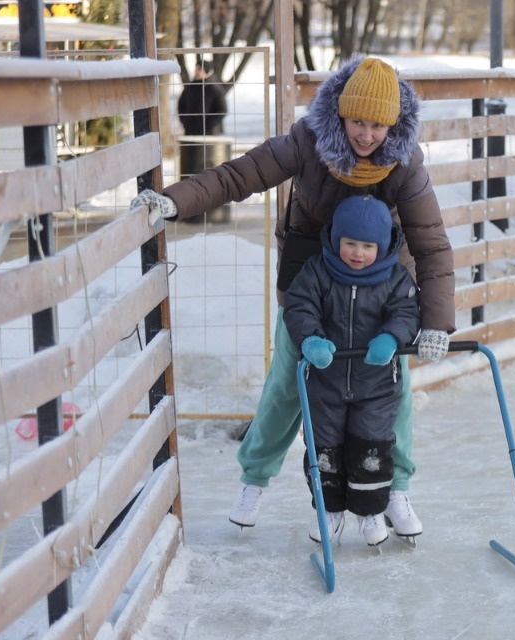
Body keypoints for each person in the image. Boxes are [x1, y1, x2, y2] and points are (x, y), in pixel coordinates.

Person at [132, 56, 455, 541]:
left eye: (377, 125)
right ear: (341, 114)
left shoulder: (404, 160)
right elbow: (239, 176)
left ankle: (394, 490)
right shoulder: (308, 141)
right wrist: (177, 199)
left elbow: (431, 244)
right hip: (311, 287)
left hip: (382, 294)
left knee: (394, 393)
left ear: (393, 124)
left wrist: (434, 322)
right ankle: (254, 480)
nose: (366, 135)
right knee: (287, 384)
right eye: (358, 122)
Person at [285, 194, 420, 546]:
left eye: (366, 246)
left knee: (370, 451)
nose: (357, 253)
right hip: (326, 382)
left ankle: (371, 513)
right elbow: (299, 307)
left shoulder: (395, 277)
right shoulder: (317, 270)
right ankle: (329, 513)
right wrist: (312, 341)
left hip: (375, 386)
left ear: (382, 245)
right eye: (349, 244)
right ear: (335, 239)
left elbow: (408, 312)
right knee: (324, 452)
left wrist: (391, 337)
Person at [177, 61, 228, 136]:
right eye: (196, 69)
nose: (197, 71)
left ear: (206, 71)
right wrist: (185, 122)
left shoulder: (215, 88)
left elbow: (222, 110)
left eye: (200, 69)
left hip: (209, 133)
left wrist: (207, 125)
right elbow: (181, 104)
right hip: (189, 132)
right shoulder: (189, 87)